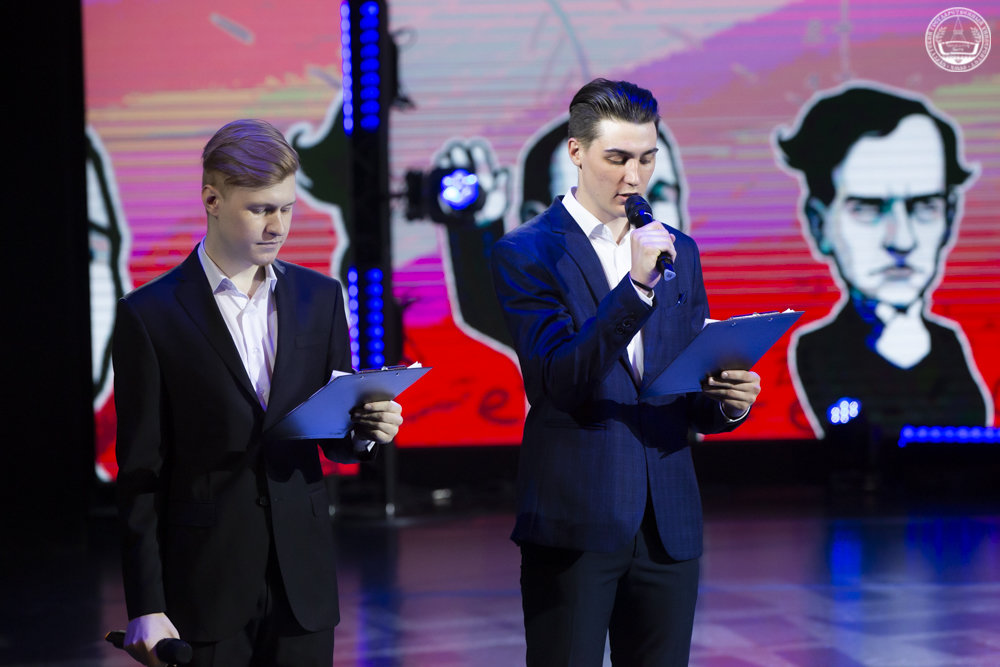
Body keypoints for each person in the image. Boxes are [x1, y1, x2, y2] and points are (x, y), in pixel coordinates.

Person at [113, 119, 403, 667]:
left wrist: (367, 430)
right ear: (212, 200)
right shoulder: (149, 316)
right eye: (260, 209)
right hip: (204, 587)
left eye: (286, 209)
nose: (278, 226)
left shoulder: (320, 297)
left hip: (303, 587)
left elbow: (332, 433)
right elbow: (140, 474)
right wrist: (146, 605)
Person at [490, 78, 760, 666]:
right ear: (577, 151)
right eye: (617, 159)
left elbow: (682, 390)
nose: (634, 177)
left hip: (668, 521)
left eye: (646, 158)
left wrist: (727, 400)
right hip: (576, 519)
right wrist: (635, 289)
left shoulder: (679, 250)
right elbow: (558, 382)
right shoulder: (528, 252)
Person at [777, 85, 991, 440]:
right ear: (819, 224)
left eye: (925, 206)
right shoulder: (819, 349)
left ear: (950, 217)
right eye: (868, 208)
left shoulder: (949, 341)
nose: (902, 240)